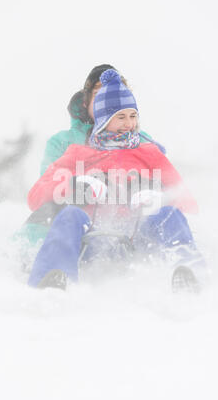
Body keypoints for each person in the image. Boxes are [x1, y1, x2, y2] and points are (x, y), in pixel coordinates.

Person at [27, 69, 207, 292]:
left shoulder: (149, 153)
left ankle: (190, 277)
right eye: (120, 117)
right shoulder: (78, 154)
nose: (129, 123)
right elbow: (36, 196)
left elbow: (188, 203)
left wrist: (158, 196)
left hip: (139, 239)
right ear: (102, 120)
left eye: (133, 116)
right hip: (90, 241)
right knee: (70, 216)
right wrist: (73, 187)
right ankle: (51, 284)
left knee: (169, 215)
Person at [15, 64, 158, 256]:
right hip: (76, 221)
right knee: (50, 211)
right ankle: (37, 259)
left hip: (130, 224)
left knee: (164, 215)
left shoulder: (142, 142)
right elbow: (44, 193)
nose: (107, 100)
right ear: (86, 100)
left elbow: (170, 188)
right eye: (100, 93)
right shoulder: (63, 143)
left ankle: (180, 262)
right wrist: (75, 188)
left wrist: (150, 190)